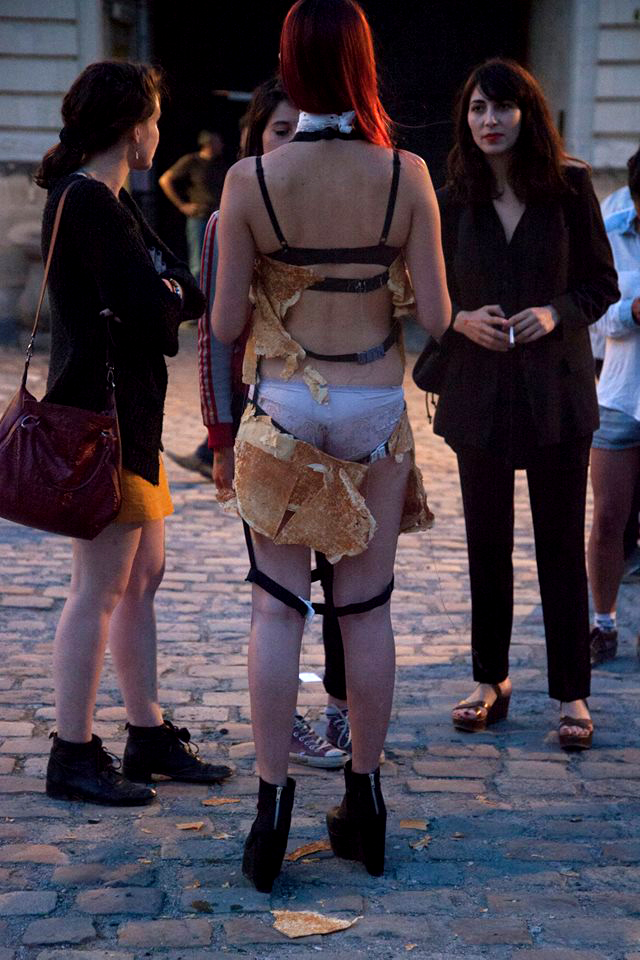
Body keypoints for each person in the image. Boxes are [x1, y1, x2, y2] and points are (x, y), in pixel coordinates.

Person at [211, 0, 450, 890]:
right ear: (362, 63)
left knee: (278, 608)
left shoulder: (251, 179)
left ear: (291, 66)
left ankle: (271, 808)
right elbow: (438, 316)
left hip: (285, 403)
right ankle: (365, 801)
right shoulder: (406, 174)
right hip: (374, 404)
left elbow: (225, 323)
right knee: (367, 609)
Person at [34, 60, 232, 806]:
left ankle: (146, 734)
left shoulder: (111, 198)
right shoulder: (87, 200)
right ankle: (72, 753)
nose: (158, 130)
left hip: (132, 417)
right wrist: (165, 295)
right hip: (103, 419)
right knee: (98, 588)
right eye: (153, 117)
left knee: (142, 578)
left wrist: (166, 293)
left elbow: (185, 287)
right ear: (130, 125)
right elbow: (155, 306)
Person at [433, 59, 618, 751]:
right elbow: (422, 290)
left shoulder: (570, 187)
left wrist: (554, 311)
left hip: (557, 396)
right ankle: (491, 681)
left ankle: (572, 692)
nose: (489, 120)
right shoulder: (452, 196)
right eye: (478, 108)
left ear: (527, 112)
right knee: (486, 544)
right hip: (477, 394)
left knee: (559, 546)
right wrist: (458, 320)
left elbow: (602, 284)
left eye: (502, 107)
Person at [199, 76, 348, 769]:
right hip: (270, 420)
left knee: (347, 582)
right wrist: (219, 438)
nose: (292, 145)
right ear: (256, 140)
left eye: (302, 131)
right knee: (280, 592)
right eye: (279, 132)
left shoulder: (343, 207)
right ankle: (283, 724)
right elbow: (217, 339)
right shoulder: (232, 215)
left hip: (345, 414)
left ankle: (344, 707)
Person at [587, 148, 640, 664]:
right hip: (621, 396)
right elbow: (596, 317)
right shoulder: (613, 229)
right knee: (607, 520)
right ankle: (603, 622)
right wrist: (634, 312)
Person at [159, 130, 227, 283]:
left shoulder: (220, 164)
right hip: (199, 217)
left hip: (219, 218)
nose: (222, 145)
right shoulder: (192, 161)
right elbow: (165, 180)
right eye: (218, 142)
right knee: (198, 264)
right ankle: (197, 295)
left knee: (219, 263)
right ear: (209, 143)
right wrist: (182, 205)